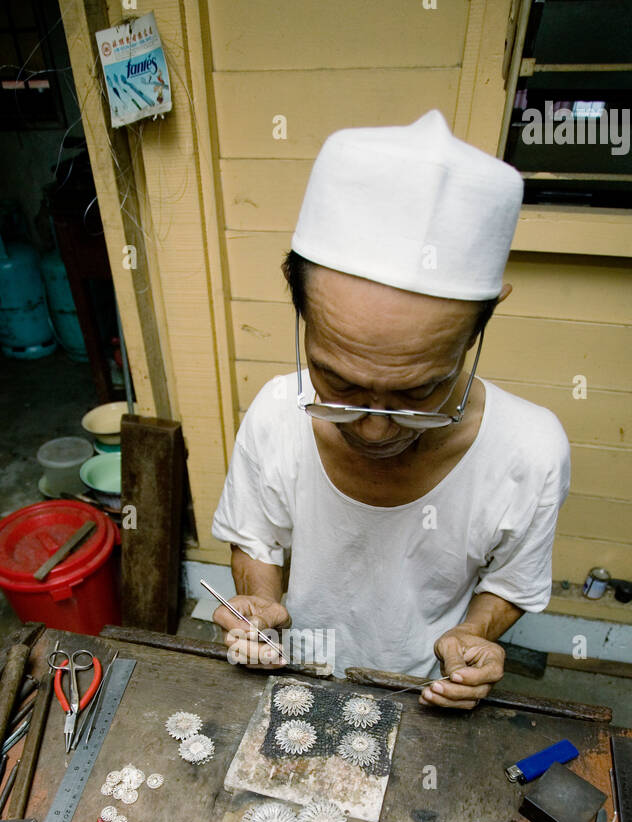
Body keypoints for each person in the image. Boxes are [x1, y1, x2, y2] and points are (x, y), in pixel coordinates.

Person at [211, 111, 570, 709]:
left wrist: (472, 634)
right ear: (298, 308)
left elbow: (510, 580)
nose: (375, 429)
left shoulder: (531, 452)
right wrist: (260, 602)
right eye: (338, 384)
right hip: (296, 674)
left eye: (418, 395)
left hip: (421, 688)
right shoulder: (278, 411)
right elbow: (256, 536)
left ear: (480, 326)